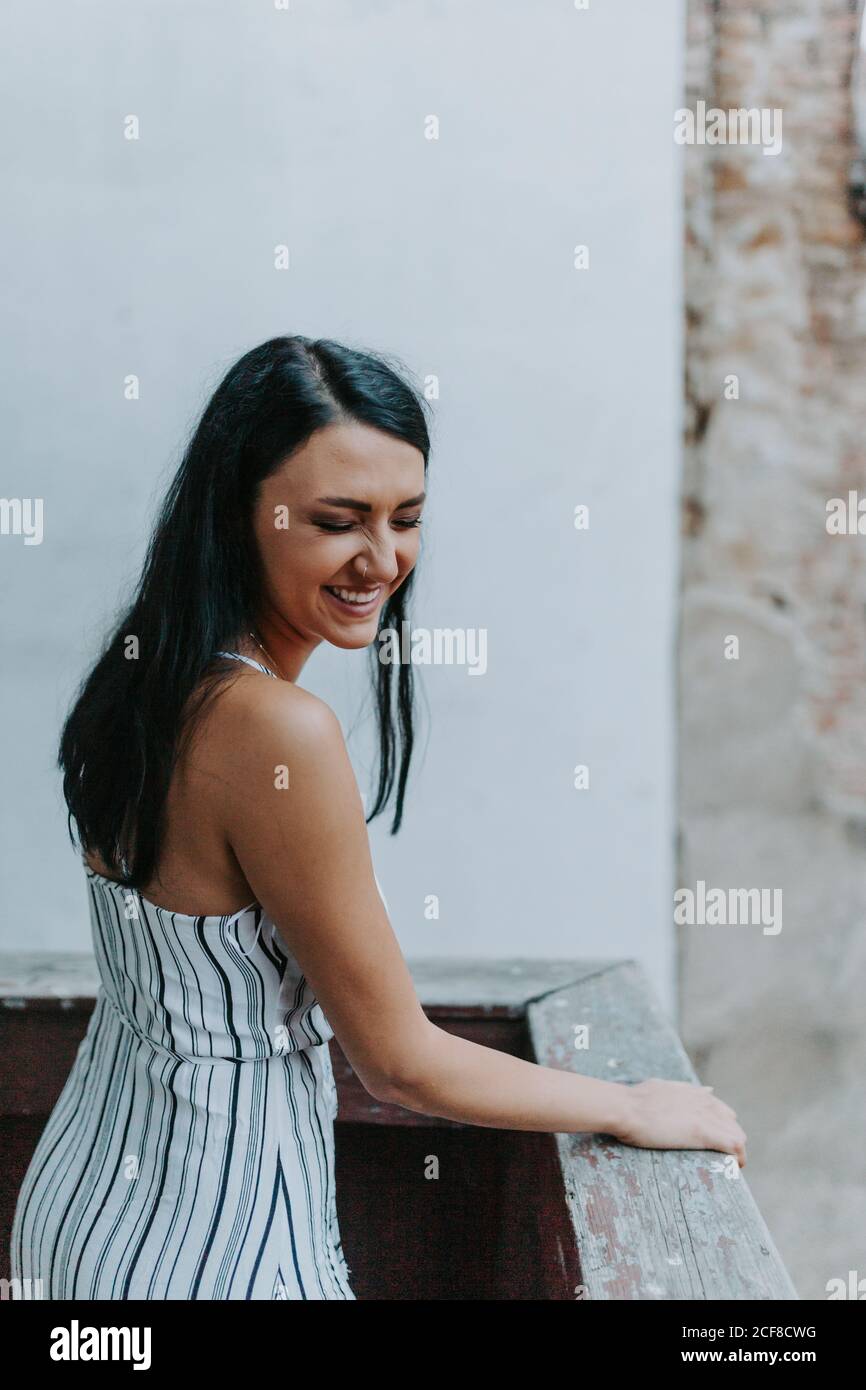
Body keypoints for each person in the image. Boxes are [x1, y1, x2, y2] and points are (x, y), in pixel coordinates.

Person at [10, 334, 746, 1301]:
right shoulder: (279, 732)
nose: (383, 559)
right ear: (244, 513)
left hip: (84, 1207)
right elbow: (399, 1063)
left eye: (407, 519)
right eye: (338, 520)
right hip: (219, 1246)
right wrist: (632, 1103)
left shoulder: (145, 682)